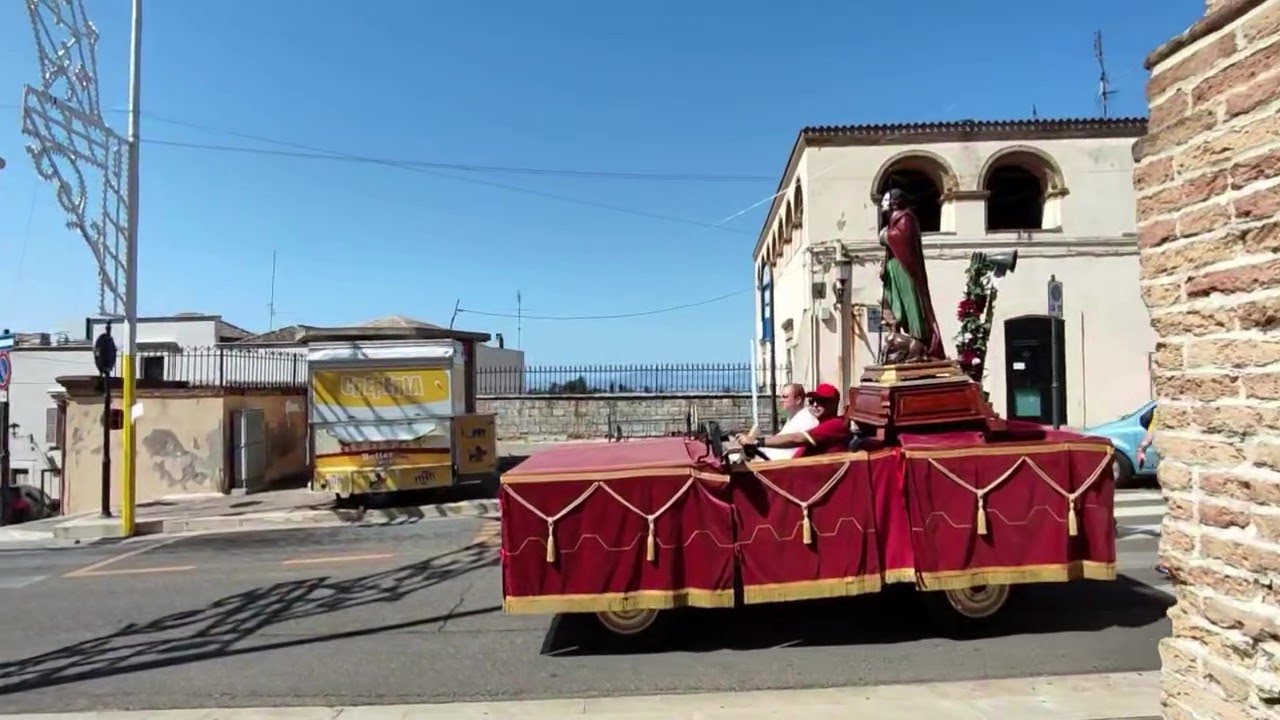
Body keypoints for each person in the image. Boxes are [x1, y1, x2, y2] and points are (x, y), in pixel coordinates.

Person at [878, 188, 946, 363]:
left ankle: (919, 339)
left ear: (895, 203)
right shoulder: (895, 220)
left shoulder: (906, 218)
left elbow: (904, 240)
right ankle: (897, 333)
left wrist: (886, 235)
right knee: (888, 300)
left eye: (886, 201)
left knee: (911, 303)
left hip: (906, 269)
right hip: (895, 268)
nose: (883, 204)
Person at [739, 383, 851, 458]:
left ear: (834, 403)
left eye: (821, 401)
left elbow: (797, 438)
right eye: (813, 401)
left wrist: (757, 442)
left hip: (811, 477)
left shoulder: (835, 424)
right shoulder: (816, 422)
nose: (815, 405)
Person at [737, 383, 818, 460]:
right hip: (775, 461)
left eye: (785, 397)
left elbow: (789, 444)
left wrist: (755, 442)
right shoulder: (794, 418)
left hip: (780, 466)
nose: (781, 400)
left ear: (798, 400)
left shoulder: (806, 420)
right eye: (781, 397)